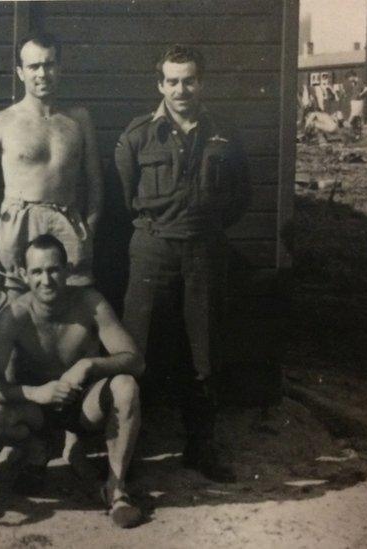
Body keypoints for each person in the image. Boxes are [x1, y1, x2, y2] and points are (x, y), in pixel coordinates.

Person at [114, 45, 251, 484]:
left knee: (204, 352)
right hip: (153, 251)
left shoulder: (224, 134)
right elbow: (125, 199)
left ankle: (200, 448)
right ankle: (129, 453)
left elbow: (241, 197)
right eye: (172, 81)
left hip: (204, 253)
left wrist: (202, 229)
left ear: (201, 83)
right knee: (140, 350)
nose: (181, 89)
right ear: (160, 85)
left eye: (189, 80)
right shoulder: (138, 136)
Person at [0, 235, 145, 529]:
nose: (46, 280)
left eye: (54, 270)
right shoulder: (14, 316)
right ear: (23, 274)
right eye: (36, 272)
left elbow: (135, 361)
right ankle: (37, 451)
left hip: (81, 406)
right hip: (36, 411)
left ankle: (115, 487)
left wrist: (88, 364)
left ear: (68, 269)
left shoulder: (90, 303)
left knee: (126, 386)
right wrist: (36, 393)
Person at [0, 30, 103, 302]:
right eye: (33, 66)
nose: (42, 74)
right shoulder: (0, 122)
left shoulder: (78, 120)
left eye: (49, 64)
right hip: (18, 226)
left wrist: (87, 231)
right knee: (18, 313)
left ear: (60, 68)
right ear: (20, 72)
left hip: (67, 225)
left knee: (75, 315)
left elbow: (96, 184)